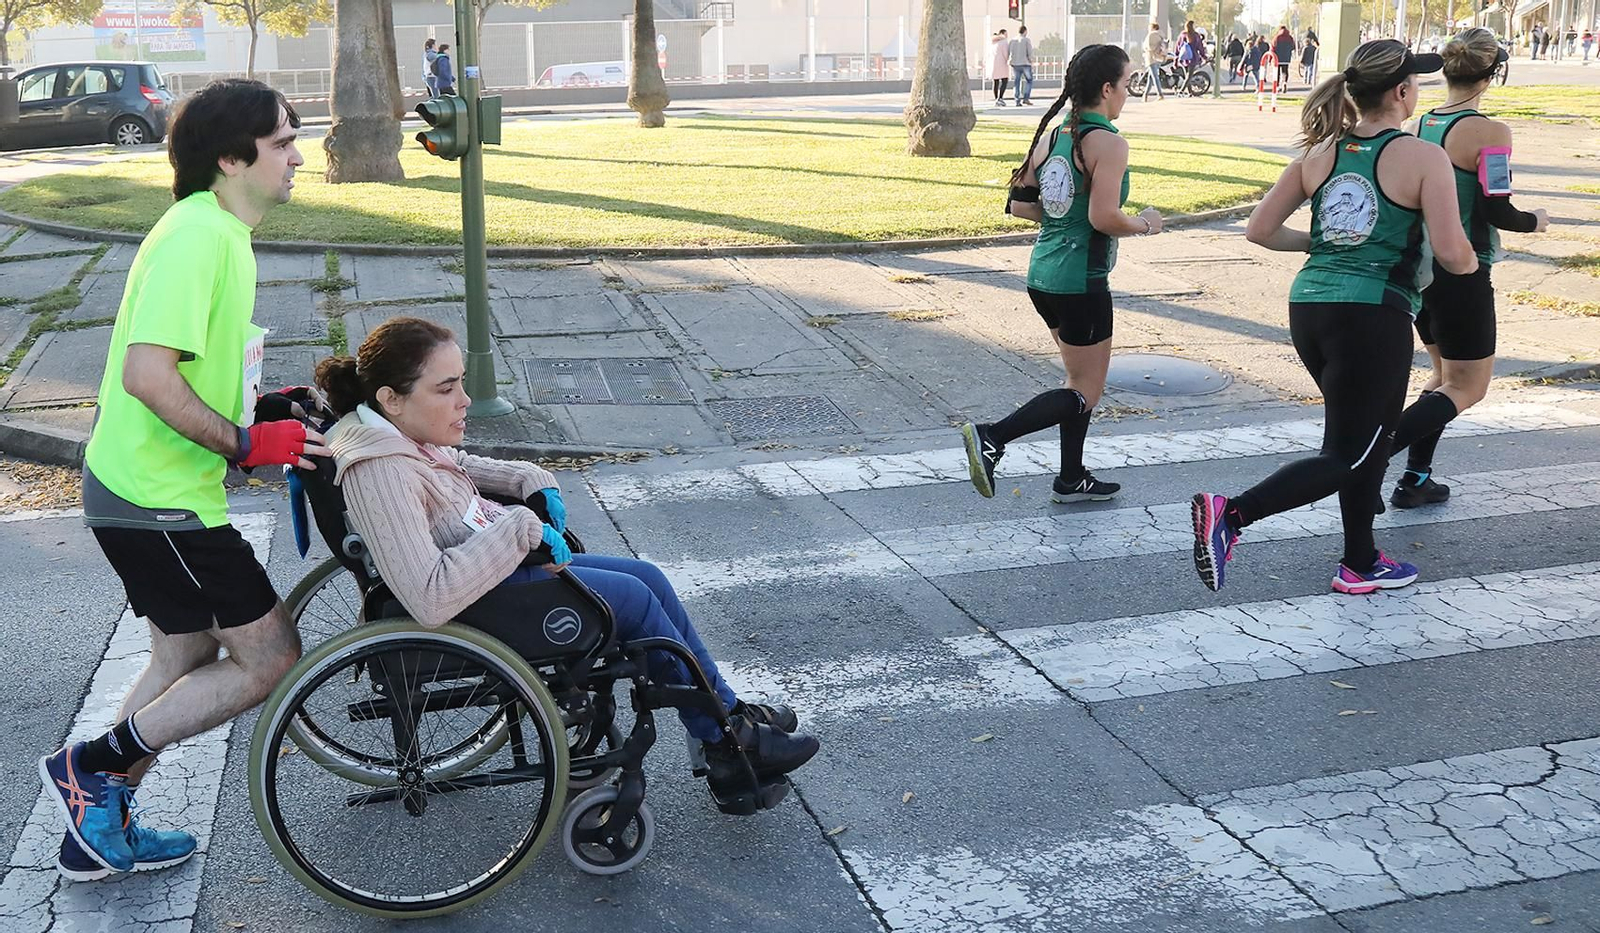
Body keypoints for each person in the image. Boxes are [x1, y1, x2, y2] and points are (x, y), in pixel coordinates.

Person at [316, 317, 820, 807]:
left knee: (647, 577)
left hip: (496, 577)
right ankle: (728, 743)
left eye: (462, 384)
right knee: (635, 600)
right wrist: (519, 527)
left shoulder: (397, 435)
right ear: (391, 398)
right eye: (446, 389)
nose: (465, 400)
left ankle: (725, 719)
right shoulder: (379, 470)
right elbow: (429, 596)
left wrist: (528, 479)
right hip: (474, 604)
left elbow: (458, 469)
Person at [39, 79, 332, 880]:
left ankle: (94, 830)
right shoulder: (198, 237)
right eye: (281, 142)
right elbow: (147, 376)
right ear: (232, 158)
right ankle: (92, 765)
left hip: (153, 489)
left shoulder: (217, 232)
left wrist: (268, 406)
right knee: (269, 655)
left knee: (182, 656)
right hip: (153, 495)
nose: (298, 156)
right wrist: (245, 442)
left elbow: (192, 370)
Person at [1190, 39, 1478, 596]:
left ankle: (1360, 560)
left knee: (1359, 438)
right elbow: (1453, 253)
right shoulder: (1422, 156)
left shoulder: (1321, 153)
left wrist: (1325, 244)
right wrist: (1474, 271)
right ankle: (1231, 515)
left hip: (1311, 308)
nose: (1418, 89)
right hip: (1371, 315)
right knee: (1353, 449)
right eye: (1415, 82)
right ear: (1400, 93)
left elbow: (1260, 230)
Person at [968, 45, 1166, 505]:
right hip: (1081, 283)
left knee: (1078, 381)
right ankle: (992, 437)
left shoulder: (1053, 136)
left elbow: (1019, 205)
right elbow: (1104, 218)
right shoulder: (1110, 143)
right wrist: (1146, 223)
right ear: (1106, 88)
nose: (1128, 94)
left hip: (1044, 277)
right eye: (1127, 84)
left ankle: (1072, 477)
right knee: (1085, 389)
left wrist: (1063, 219)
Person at [1387, 28, 1549, 509]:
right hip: (1462, 272)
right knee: (1468, 387)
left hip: (1420, 274)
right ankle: (1365, 458)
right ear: (1493, 72)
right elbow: (1499, 210)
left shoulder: (1418, 126)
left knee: (1442, 378)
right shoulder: (1489, 132)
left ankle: (1416, 477)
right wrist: (1534, 222)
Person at [1010, 25, 1036, 105]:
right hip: (1025, 63)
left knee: (1017, 82)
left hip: (1015, 64)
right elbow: (1029, 52)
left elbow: (1010, 52)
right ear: (1025, 31)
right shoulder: (1026, 40)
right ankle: (1026, 98)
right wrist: (1031, 61)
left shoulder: (1012, 40)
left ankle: (1017, 99)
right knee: (1029, 80)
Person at [1144, 22, 1168, 101]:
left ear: (1153, 28)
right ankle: (1145, 95)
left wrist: (1146, 49)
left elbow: (1148, 47)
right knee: (1151, 78)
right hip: (1159, 58)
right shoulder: (1161, 35)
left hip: (1151, 58)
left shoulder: (1151, 35)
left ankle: (1160, 94)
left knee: (1155, 77)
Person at [990, 30, 1011, 106]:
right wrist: (1008, 60)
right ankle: (1000, 97)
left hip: (994, 63)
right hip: (1002, 63)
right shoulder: (1004, 42)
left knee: (996, 82)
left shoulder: (993, 42)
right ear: (1002, 34)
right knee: (1004, 81)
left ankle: (996, 98)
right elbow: (1006, 53)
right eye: (1006, 33)